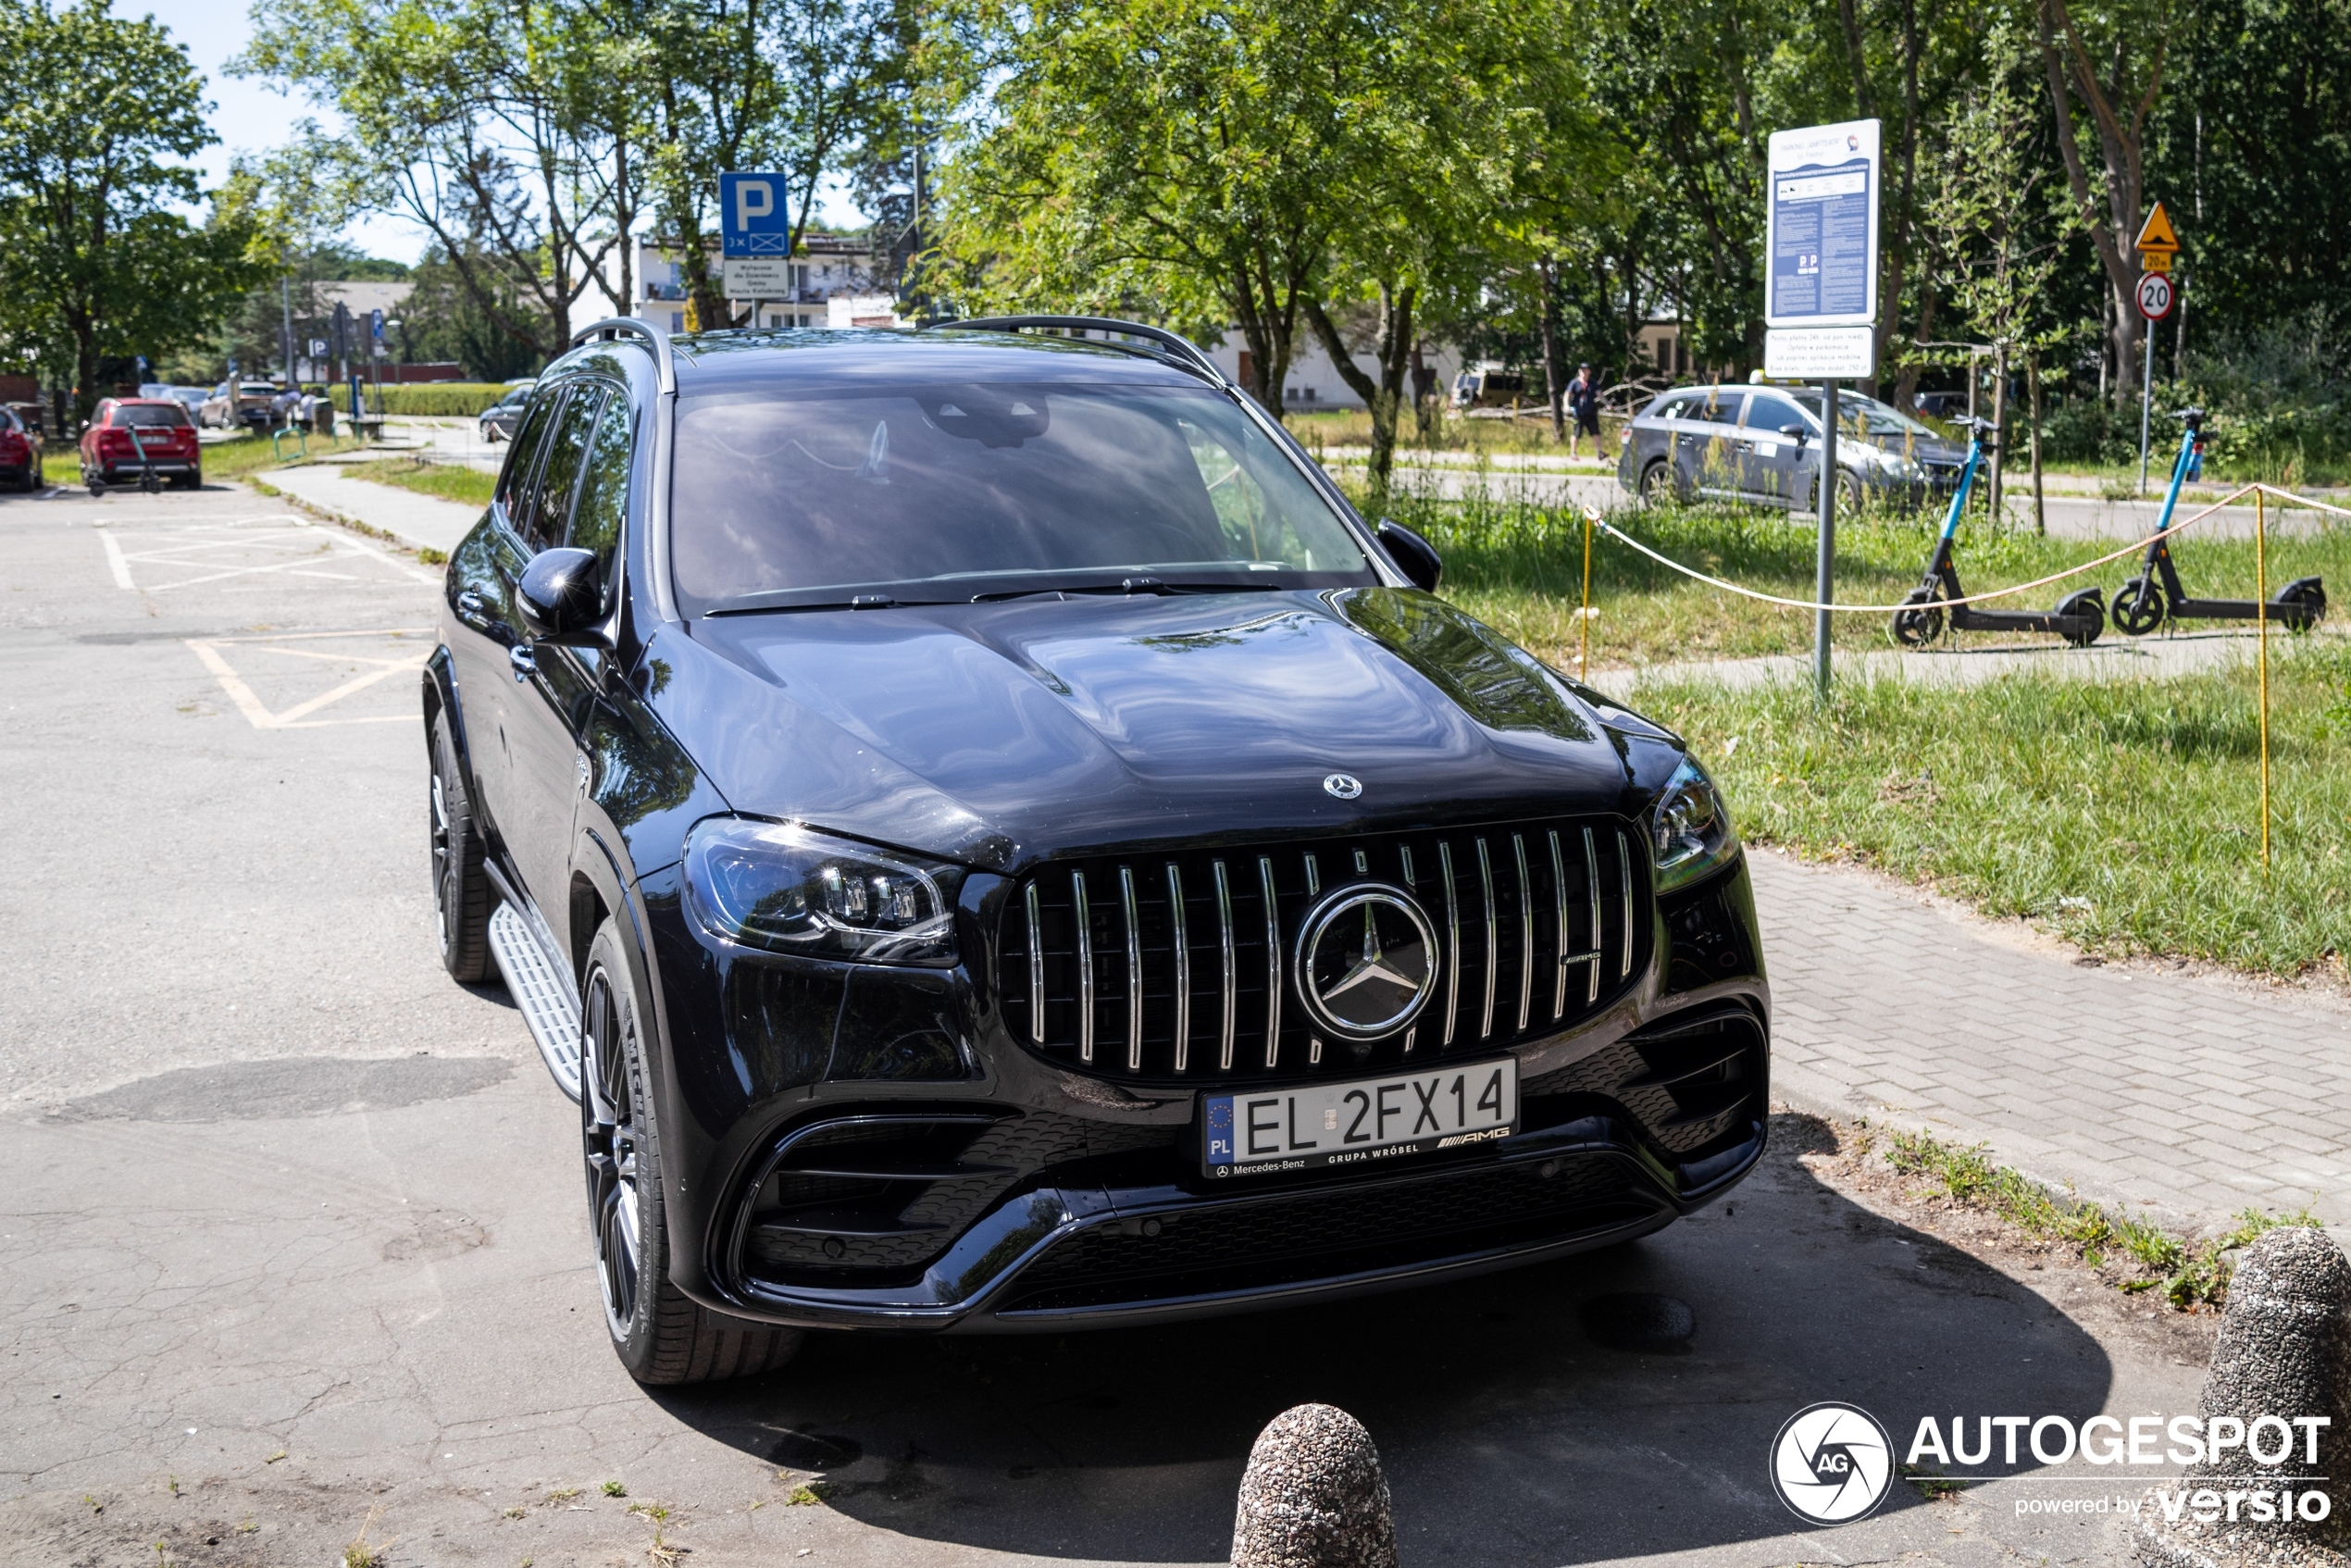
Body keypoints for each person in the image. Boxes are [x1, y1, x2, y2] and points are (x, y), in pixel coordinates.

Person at [1566, 364, 1601, 456]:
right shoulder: (1574, 383)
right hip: (1578, 414)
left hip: (1591, 413)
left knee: (1596, 433)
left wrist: (1608, 404)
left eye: (1585, 369)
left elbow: (1600, 395)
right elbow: (1567, 395)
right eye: (1581, 369)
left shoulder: (1593, 383)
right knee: (1576, 433)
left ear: (1589, 371)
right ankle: (1573, 453)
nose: (1583, 371)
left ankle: (1599, 453)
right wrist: (1566, 405)